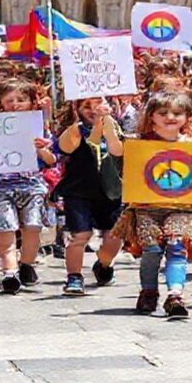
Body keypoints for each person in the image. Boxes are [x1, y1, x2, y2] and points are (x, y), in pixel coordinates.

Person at [114, 92, 192, 318]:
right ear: (151, 116)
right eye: (163, 113)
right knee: (151, 250)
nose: (170, 117)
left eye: (177, 113)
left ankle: (175, 295)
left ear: (186, 117)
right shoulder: (139, 142)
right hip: (146, 206)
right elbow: (116, 151)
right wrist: (106, 123)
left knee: (176, 246)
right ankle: (149, 291)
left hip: (181, 206)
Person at [0, 79, 56, 293]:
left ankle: (27, 264)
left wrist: (40, 148)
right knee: (5, 228)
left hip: (31, 185)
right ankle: (9, 271)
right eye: (9, 100)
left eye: (21, 99)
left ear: (31, 101)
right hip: (0, 186)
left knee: (33, 227)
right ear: (0, 102)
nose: (15, 104)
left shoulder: (40, 127)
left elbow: (51, 160)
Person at [55, 97, 124, 296]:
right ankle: (74, 276)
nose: (93, 109)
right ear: (77, 108)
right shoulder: (73, 130)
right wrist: (89, 126)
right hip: (78, 191)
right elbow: (67, 147)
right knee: (80, 236)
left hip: (110, 193)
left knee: (114, 236)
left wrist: (106, 122)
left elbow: (117, 150)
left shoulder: (117, 129)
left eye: (98, 103)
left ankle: (103, 264)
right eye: (87, 105)